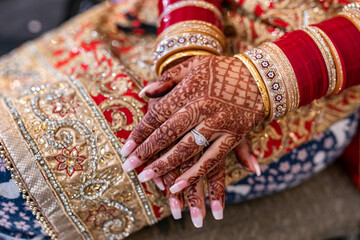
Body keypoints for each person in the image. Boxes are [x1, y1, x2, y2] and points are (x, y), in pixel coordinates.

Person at [0, 0, 359, 239]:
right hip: (165, 20)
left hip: (308, 77)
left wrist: (257, 81)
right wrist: (188, 47)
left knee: (31, 186)